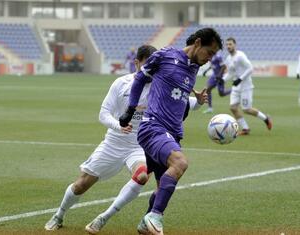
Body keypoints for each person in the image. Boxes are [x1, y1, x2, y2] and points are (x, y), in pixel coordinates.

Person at [44, 45, 207, 233]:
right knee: (81, 184)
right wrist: (118, 126)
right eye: (148, 64)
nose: (153, 70)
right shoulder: (121, 83)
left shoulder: (160, 83)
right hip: (113, 143)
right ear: (137, 63)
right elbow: (103, 114)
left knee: (142, 175)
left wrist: (198, 102)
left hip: (140, 144)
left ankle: (103, 217)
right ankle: (59, 214)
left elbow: (182, 101)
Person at [119, 28, 222, 235]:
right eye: (209, 53)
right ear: (198, 43)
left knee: (161, 188)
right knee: (180, 163)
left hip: (171, 133)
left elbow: (177, 99)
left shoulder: (194, 68)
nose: (209, 59)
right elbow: (140, 78)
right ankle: (155, 215)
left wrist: (190, 105)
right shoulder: (165, 55)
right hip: (153, 127)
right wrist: (130, 109)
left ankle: (145, 225)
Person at [222, 37, 272, 136]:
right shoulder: (228, 58)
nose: (228, 46)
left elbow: (250, 68)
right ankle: (245, 128)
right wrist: (222, 79)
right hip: (236, 86)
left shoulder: (240, 56)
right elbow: (231, 73)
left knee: (247, 109)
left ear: (235, 45)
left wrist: (240, 79)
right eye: (227, 44)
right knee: (233, 107)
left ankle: (266, 119)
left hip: (246, 86)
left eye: (230, 44)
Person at [202, 49, 231, 113]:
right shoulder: (211, 56)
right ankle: (210, 108)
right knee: (208, 89)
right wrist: (206, 71)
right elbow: (212, 65)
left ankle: (233, 91)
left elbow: (223, 66)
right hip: (214, 75)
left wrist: (220, 75)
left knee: (221, 93)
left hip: (219, 76)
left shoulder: (218, 57)